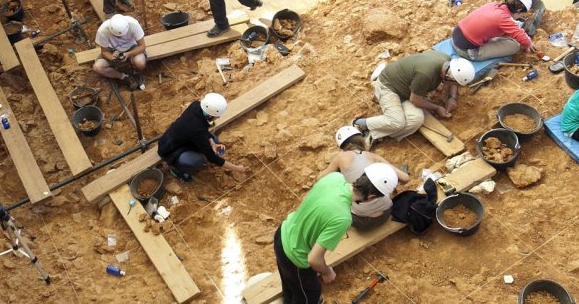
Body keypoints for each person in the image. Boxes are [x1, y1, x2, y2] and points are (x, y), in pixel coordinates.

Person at [273, 170, 383, 303]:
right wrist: (327, 272)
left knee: (290, 283)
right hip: (295, 258)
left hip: (282, 234)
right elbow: (314, 259)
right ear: (371, 197)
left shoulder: (334, 177)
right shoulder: (343, 218)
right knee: (309, 295)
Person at [353, 52, 477, 145]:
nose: (454, 86)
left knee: (416, 120)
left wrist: (452, 97)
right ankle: (360, 123)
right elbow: (415, 100)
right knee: (397, 122)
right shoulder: (426, 75)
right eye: (453, 83)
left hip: (408, 90)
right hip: (389, 87)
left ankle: (375, 135)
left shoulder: (448, 62)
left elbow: (452, 82)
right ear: (447, 76)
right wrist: (437, 107)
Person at [317, 126, 408, 229]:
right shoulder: (374, 157)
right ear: (361, 140)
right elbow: (405, 178)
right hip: (386, 213)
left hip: (360, 221)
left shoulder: (341, 157)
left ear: (342, 146)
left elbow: (320, 179)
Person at [157, 93, 251, 182]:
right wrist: (238, 168)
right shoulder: (197, 131)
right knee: (199, 160)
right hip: (170, 149)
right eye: (217, 116)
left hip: (182, 138)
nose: (218, 118)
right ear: (210, 115)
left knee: (214, 140)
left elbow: (203, 128)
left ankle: (205, 147)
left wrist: (213, 144)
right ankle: (177, 170)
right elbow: (213, 158)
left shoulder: (196, 105)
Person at [452, 0, 538, 61]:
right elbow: (524, 40)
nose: (520, 17)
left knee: (504, 35)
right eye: (521, 14)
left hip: (456, 36)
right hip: (466, 50)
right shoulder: (503, 19)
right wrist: (528, 44)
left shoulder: (493, 5)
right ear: (519, 10)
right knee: (515, 46)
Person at [92, 14, 147, 89]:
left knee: (140, 62)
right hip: (112, 50)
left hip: (132, 47)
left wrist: (128, 54)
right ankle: (124, 77)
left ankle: (136, 74)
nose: (120, 37)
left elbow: (142, 46)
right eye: (117, 36)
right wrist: (112, 58)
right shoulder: (103, 30)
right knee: (98, 67)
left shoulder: (133, 24)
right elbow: (104, 52)